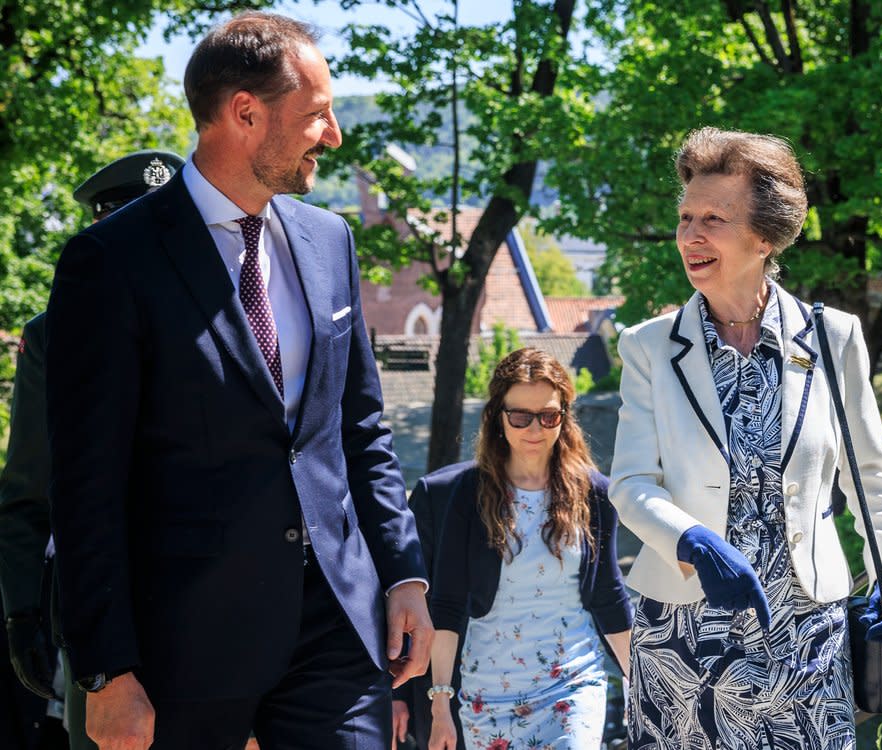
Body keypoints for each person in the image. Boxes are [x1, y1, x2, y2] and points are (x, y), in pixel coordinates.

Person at [44, 11, 431, 750]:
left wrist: (404, 575)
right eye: (316, 115)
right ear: (244, 113)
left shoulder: (330, 242)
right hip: (184, 648)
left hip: (336, 633)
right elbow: (85, 484)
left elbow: (361, 430)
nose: (334, 136)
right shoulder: (112, 262)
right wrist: (106, 672)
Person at [609, 126, 882, 748]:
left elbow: (872, 477)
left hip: (807, 630)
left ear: (765, 236)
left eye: (714, 219)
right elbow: (631, 483)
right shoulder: (646, 347)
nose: (690, 235)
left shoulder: (835, 338)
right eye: (685, 216)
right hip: (680, 632)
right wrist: (689, 538)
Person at [0, 149, 184, 750]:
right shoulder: (52, 333)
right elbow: (29, 485)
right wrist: (23, 609)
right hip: (103, 614)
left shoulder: (224, 317)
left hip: (210, 602)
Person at [429, 348, 633, 750]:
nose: (534, 428)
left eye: (548, 416)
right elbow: (447, 604)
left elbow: (609, 595)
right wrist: (439, 704)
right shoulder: (468, 494)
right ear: (497, 417)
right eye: (520, 416)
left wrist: (640, 683)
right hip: (489, 693)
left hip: (573, 683)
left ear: (564, 417)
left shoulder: (594, 493)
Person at [392, 461, 473, 750]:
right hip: (442, 684)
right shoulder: (438, 491)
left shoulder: (564, 487)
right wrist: (395, 695)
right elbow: (403, 593)